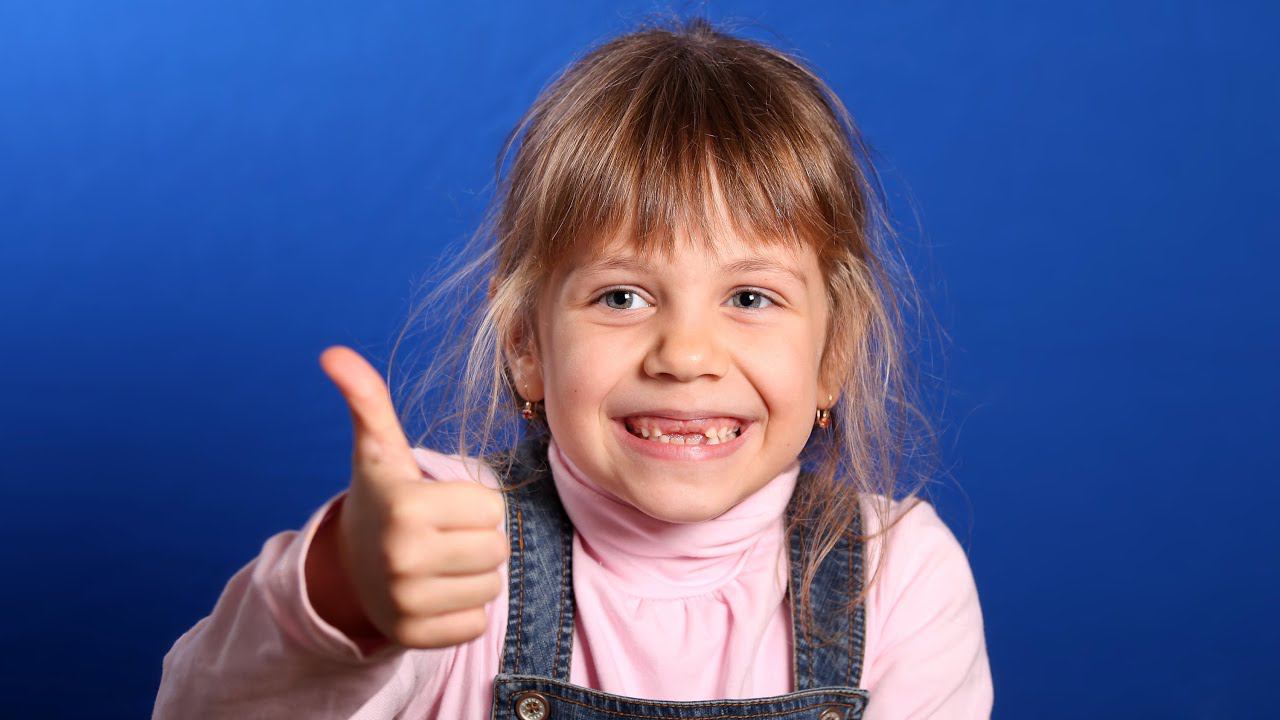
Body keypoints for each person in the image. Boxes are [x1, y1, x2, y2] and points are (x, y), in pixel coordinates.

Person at [154, 16, 993, 719]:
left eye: (750, 297)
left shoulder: (898, 576)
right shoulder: (448, 536)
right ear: (526, 342)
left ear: (833, 353)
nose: (686, 355)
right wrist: (345, 591)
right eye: (622, 297)